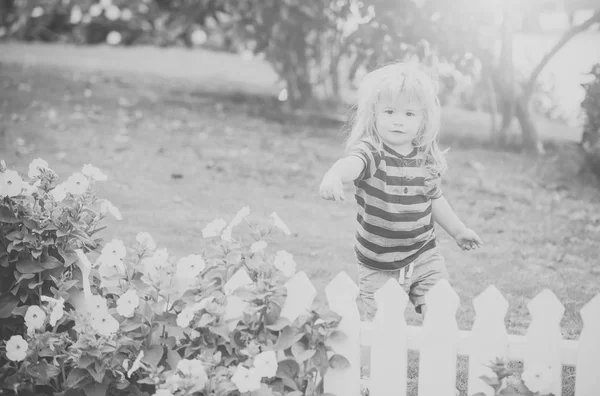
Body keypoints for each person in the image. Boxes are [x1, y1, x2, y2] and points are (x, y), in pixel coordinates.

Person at [319, 61, 482, 320]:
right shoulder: (372, 151)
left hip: (423, 254)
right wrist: (334, 175)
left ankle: (435, 358)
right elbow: (351, 164)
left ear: (423, 119)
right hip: (378, 263)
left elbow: (434, 199)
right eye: (390, 112)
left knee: (441, 308)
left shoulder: (425, 158)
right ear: (374, 114)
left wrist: (458, 231)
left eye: (409, 114)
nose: (398, 121)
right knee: (383, 325)